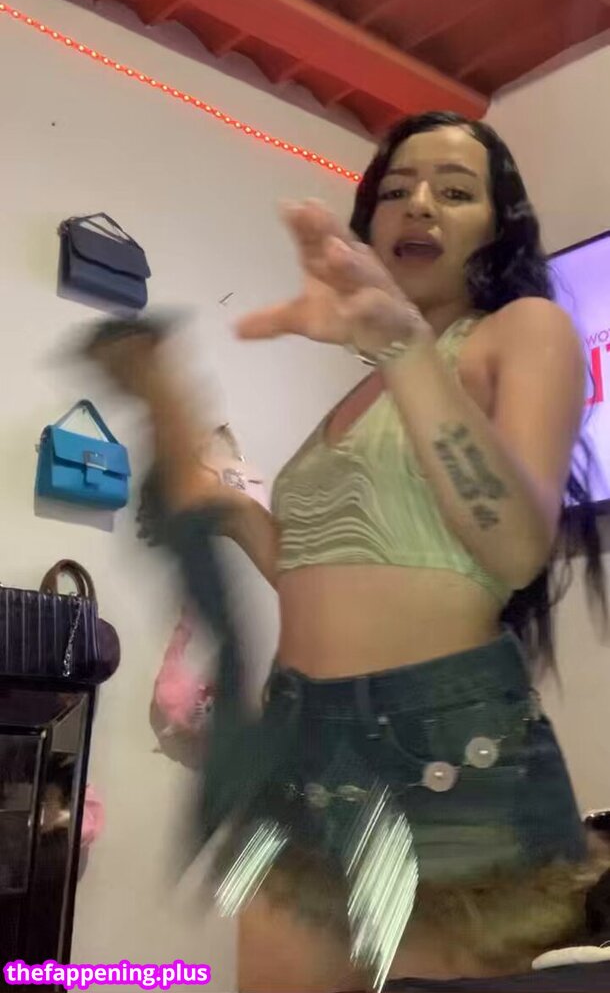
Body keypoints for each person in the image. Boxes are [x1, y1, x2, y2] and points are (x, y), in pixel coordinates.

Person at [84, 112, 607, 993]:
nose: (420, 204)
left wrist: (404, 349)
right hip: (301, 740)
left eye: (455, 191)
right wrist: (227, 502)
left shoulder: (522, 330)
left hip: (444, 743)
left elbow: (517, 546)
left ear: (498, 227)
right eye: (397, 189)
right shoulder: (365, 391)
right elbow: (335, 572)